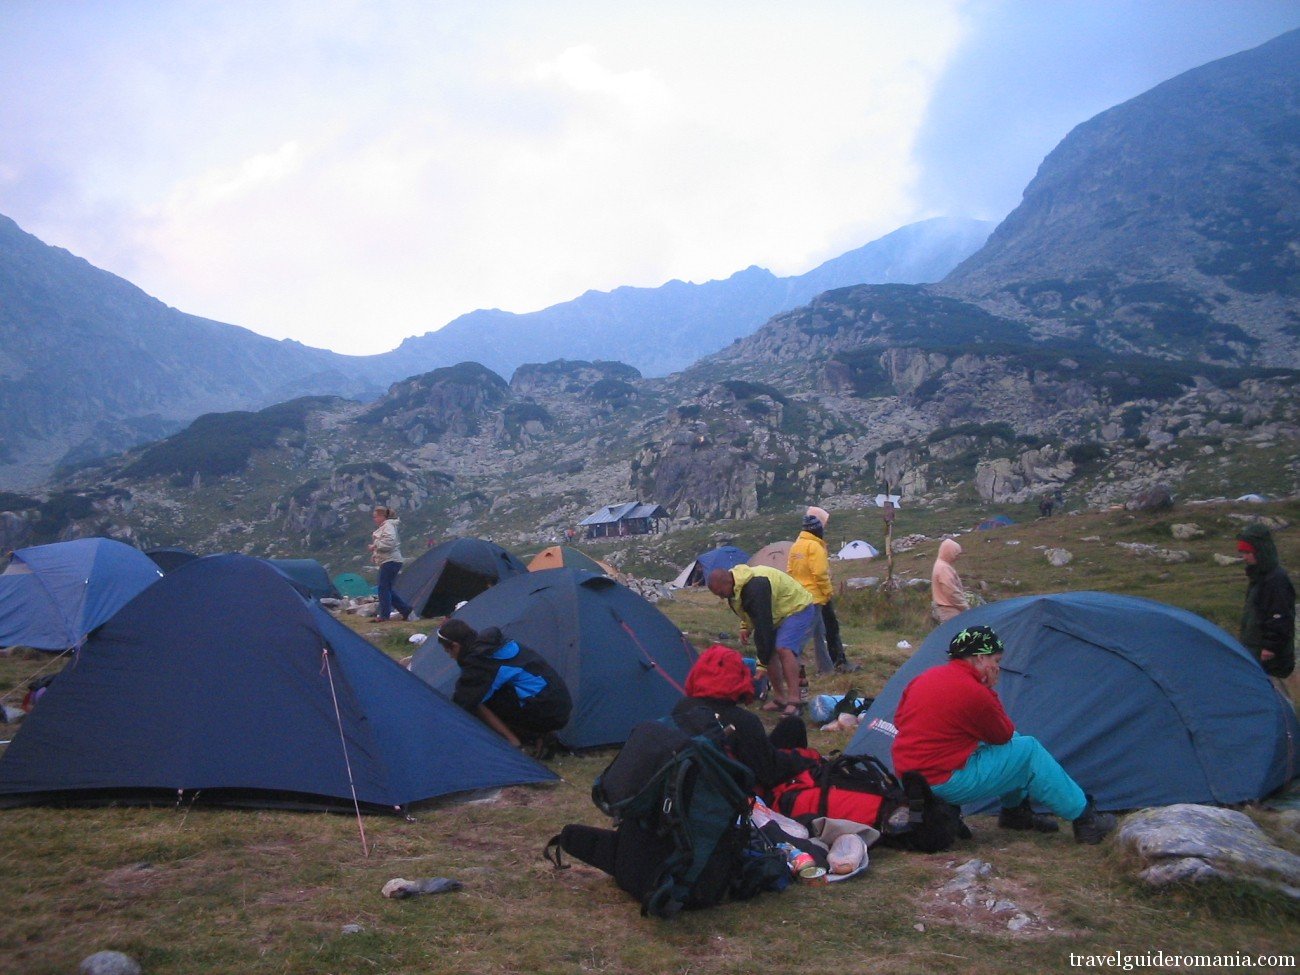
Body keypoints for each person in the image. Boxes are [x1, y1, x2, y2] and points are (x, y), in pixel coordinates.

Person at [892, 625, 1116, 844]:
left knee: (1016, 744)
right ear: (980, 658)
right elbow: (1002, 734)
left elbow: (900, 720)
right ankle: (1086, 819)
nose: (998, 667)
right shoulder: (974, 691)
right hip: (942, 781)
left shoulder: (925, 677)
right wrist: (988, 689)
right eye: (996, 661)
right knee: (1028, 750)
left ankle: (1015, 813)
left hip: (911, 778)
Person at [671, 645, 810, 790]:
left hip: (696, 782)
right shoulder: (743, 721)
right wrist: (805, 760)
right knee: (795, 730)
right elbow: (770, 773)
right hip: (740, 790)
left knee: (792, 725)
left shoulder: (683, 707)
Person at [435, 618, 573, 753]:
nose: (450, 656)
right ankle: (539, 735)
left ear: (455, 646)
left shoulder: (479, 661)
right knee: (486, 693)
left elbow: (462, 702)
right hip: (560, 702)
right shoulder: (496, 644)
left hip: (548, 711)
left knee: (475, 701)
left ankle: (515, 745)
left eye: (448, 651)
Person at [707, 564, 818, 718]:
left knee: (783, 648)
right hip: (777, 613)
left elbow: (763, 627)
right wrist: (745, 626)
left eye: (720, 592)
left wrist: (761, 665)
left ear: (727, 582)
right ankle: (780, 699)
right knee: (769, 652)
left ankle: (795, 701)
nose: (721, 597)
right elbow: (750, 611)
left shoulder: (755, 587)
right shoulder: (736, 588)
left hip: (797, 608)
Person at [787, 505, 858, 675]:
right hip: (816, 596)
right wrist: (828, 592)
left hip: (801, 594)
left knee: (819, 635)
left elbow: (790, 570)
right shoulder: (815, 546)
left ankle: (826, 669)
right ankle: (785, 663)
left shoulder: (796, 546)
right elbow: (819, 573)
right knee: (806, 634)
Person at [1237, 523, 1295, 684]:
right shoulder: (1259, 577)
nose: (1245, 557)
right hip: (1255, 652)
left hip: (1270, 659)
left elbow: (1281, 617)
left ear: (1261, 551)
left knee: (1278, 698)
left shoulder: (1276, 580)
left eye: (1248, 552)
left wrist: (1270, 647)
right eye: (1243, 552)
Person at [369, 505, 414, 622]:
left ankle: (384, 616)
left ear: (382, 516)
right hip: (390, 560)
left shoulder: (388, 526)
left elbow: (389, 543)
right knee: (387, 588)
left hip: (391, 561)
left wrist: (375, 546)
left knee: (383, 588)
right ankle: (405, 610)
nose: (374, 519)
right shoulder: (387, 526)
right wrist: (375, 555)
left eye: (375, 517)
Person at [930, 538, 970, 624]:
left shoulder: (941, 564)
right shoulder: (944, 568)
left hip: (946, 609)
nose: (957, 557)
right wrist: (965, 607)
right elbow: (952, 592)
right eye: (956, 553)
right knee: (954, 635)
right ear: (949, 552)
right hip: (949, 610)